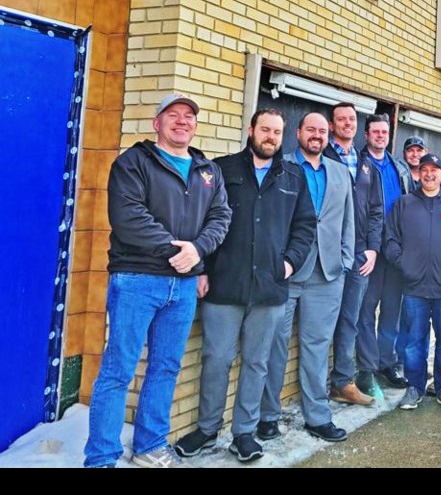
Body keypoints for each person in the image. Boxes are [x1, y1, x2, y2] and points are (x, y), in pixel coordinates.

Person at [84, 93, 232, 468]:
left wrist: (198, 250)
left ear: (196, 125)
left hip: (183, 286)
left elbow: (221, 217)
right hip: (137, 279)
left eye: (188, 116)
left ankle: (150, 445)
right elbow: (129, 217)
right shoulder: (133, 162)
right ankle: (101, 456)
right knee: (119, 369)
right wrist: (177, 251)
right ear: (157, 123)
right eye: (173, 115)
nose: (181, 121)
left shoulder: (207, 171)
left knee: (165, 366)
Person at [173, 109, 315, 463]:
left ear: (283, 136)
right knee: (216, 359)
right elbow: (200, 221)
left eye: (277, 132)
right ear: (251, 130)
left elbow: (305, 227)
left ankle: (244, 433)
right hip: (224, 284)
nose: (270, 136)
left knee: (257, 362)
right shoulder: (221, 170)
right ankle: (207, 430)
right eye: (264, 129)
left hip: (270, 287)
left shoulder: (293, 175)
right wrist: (202, 269)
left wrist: (289, 263)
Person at [259, 112, 355, 443]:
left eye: (322, 131)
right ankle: (267, 415)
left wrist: (345, 259)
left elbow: (348, 221)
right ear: (297, 133)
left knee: (317, 346)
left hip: (327, 274)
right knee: (273, 345)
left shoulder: (340, 172)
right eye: (310, 129)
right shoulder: (278, 165)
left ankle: (317, 416)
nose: (316, 135)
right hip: (284, 272)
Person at [384, 154, 441, 412]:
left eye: (434, 170)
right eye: (424, 169)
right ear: (419, 172)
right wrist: (405, 264)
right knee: (414, 340)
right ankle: (415, 386)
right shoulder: (404, 204)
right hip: (414, 286)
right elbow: (390, 239)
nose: (429, 174)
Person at [323, 102, 384, 405]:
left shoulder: (365, 164)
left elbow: (376, 211)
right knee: (322, 319)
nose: (347, 123)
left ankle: (342, 382)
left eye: (351, 119)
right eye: (341, 119)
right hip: (327, 252)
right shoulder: (323, 156)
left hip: (359, 254)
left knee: (351, 318)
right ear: (332, 126)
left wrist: (373, 249)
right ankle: (314, 384)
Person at [358, 114, 415, 390]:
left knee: (392, 310)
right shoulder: (359, 164)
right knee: (366, 309)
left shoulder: (399, 166)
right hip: (370, 250)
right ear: (366, 135)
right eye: (375, 132)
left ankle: (386, 363)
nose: (381, 136)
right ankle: (367, 367)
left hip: (395, 249)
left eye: (384, 132)